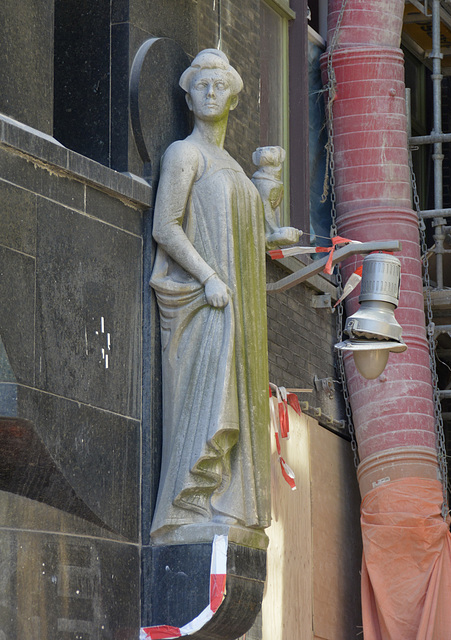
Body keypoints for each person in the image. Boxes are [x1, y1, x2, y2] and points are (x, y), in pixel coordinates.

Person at [149, 49, 299, 544]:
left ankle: (229, 503)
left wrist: (274, 236)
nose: (210, 92)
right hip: (206, 301)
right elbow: (166, 227)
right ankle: (191, 502)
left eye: (219, 85)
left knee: (240, 395)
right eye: (201, 85)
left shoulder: (232, 164)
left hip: (241, 303)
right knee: (213, 400)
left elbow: (246, 238)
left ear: (233, 96)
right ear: (187, 95)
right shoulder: (183, 154)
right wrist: (209, 276)